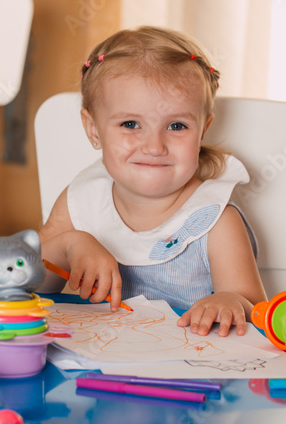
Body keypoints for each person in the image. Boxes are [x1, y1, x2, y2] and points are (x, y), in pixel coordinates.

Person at [38, 26, 266, 336]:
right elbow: (28, 283)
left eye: (176, 125)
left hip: (186, 371)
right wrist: (69, 245)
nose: (154, 146)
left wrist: (230, 301)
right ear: (93, 129)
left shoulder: (214, 219)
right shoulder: (82, 200)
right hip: (93, 366)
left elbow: (252, 308)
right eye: (131, 124)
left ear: (202, 130)